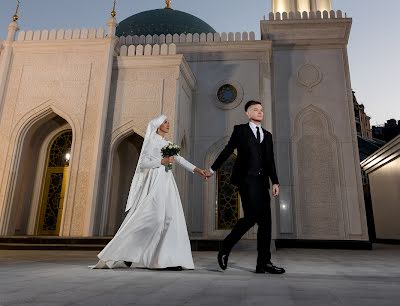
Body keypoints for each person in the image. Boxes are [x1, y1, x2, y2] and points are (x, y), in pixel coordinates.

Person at [91, 114, 207, 270]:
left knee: (171, 217)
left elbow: (179, 159)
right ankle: (127, 252)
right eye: (165, 122)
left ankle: (168, 260)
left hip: (167, 182)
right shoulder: (151, 142)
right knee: (154, 218)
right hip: (154, 181)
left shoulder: (168, 143)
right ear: (157, 125)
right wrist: (161, 161)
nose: (168, 124)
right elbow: (143, 163)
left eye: (168, 122)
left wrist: (198, 170)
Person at [205, 100, 285, 274]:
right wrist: (212, 169)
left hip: (262, 182)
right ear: (247, 113)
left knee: (265, 223)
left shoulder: (268, 135)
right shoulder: (240, 130)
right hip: (246, 180)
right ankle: (225, 247)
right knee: (253, 217)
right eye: (255, 110)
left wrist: (275, 182)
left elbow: (270, 161)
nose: (259, 112)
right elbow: (227, 150)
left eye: (261, 110)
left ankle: (263, 263)